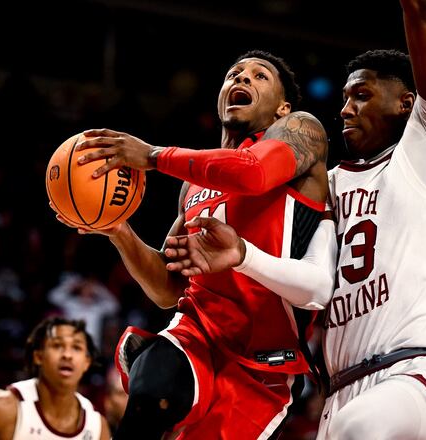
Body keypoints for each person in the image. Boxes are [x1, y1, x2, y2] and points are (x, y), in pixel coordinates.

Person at [163, 1, 426, 438]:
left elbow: (424, 15)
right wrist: (240, 254)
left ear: (407, 104)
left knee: (361, 426)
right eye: (345, 98)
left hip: (416, 376)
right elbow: (314, 286)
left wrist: (155, 156)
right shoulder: (327, 185)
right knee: (351, 423)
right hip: (340, 391)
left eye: (362, 96)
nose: (345, 109)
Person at [58, 49, 330, 438]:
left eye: (259, 76)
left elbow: (252, 175)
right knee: (151, 391)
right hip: (197, 333)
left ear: (282, 108)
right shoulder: (195, 183)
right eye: (234, 74)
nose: (242, 79)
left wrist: (152, 156)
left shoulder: (303, 130)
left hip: (262, 366)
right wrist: (119, 230)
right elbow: (168, 289)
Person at [0, 316, 110, 439]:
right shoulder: (2, 406)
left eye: (76, 348)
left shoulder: (96, 427)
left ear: (87, 362)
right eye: (57, 345)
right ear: (38, 356)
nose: (67, 355)